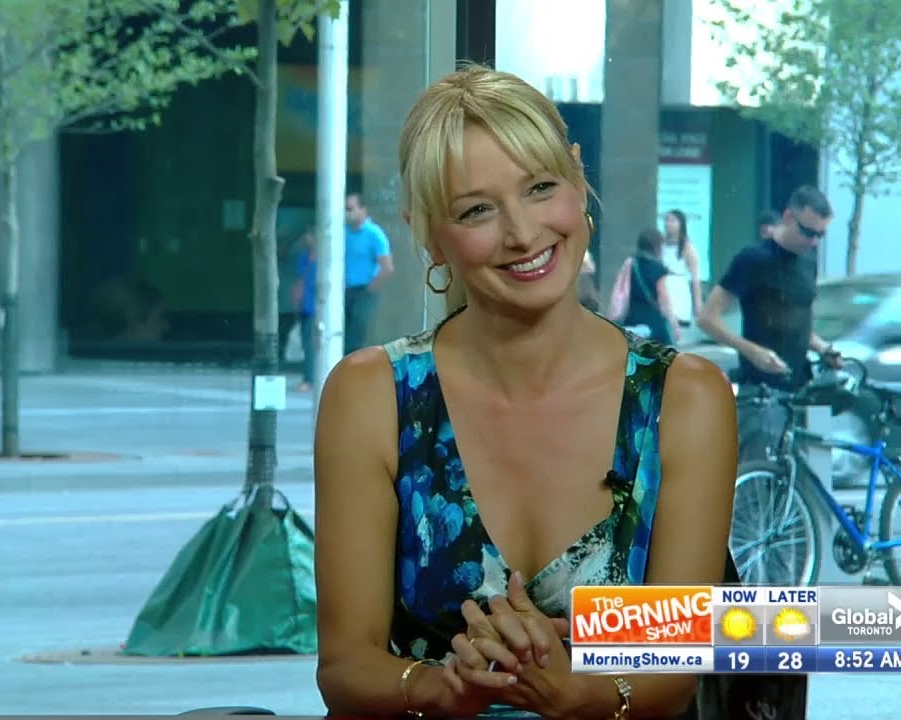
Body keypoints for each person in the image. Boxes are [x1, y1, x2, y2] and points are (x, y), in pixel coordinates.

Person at [313, 64, 737, 719]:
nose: (522, 232)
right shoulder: (372, 396)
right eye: (476, 210)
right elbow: (345, 665)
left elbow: (676, 667)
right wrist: (440, 687)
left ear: (578, 181)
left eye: (540, 188)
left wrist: (581, 696)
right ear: (429, 234)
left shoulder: (686, 398)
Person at [696, 185, 842, 461]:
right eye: (807, 232)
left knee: (811, 479)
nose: (812, 241)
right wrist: (752, 351)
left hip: (803, 390)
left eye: (820, 235)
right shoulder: (753, 259)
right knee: (760, 477)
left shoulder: (808, 262)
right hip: (761, 392)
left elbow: (798, 323)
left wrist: (824, 348)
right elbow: (707, 318)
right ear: (788, 217)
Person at [343, 192, 394, 354]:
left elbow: (387, 267)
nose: (346, 213)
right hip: (343, 290)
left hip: (363, 290)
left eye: (350, 209)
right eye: (345, 209)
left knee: (356, 335)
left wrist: (369, 290)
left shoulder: (374, 234)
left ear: (363, 210)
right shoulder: (342, 232)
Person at [618, 227, 681, 345]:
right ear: (657, 246)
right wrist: (674, 324)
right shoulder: (659, 269)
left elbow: (621, 291)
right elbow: (664, 300)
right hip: (653, 323)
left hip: (632, 317)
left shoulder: (631, 263)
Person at [287, 227, 318, 393]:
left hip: (319, 306)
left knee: (313, 343)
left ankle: (311, 378)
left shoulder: (327, 259)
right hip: (307, 305)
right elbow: (299, 282)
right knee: (308, 343)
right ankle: (309, 377)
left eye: (310, 235)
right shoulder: (304, 257)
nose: (307, 238)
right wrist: (296, 301)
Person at [660, 209, 703, 326]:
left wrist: (698, 303)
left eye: (672, 220)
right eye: (666, 220)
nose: (668, 224)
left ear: (681, 224)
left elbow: (695, 278)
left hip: (678, 290)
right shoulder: (660, 244)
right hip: (662, 289)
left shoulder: (687, 247)